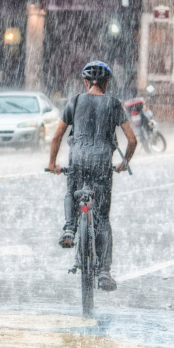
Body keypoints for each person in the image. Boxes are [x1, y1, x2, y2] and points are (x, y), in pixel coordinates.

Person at [47, 60, 137, 292]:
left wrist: (52, 164)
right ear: (106, 84)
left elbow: (57, 137)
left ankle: (69, 228)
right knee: (102, 219)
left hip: (77, 159)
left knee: (71, 190)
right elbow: (132, 139)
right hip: (102, 163)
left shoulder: (75, 101)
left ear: (86, 82)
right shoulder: (114, 104)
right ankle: (104, 272)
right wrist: (123, 163)